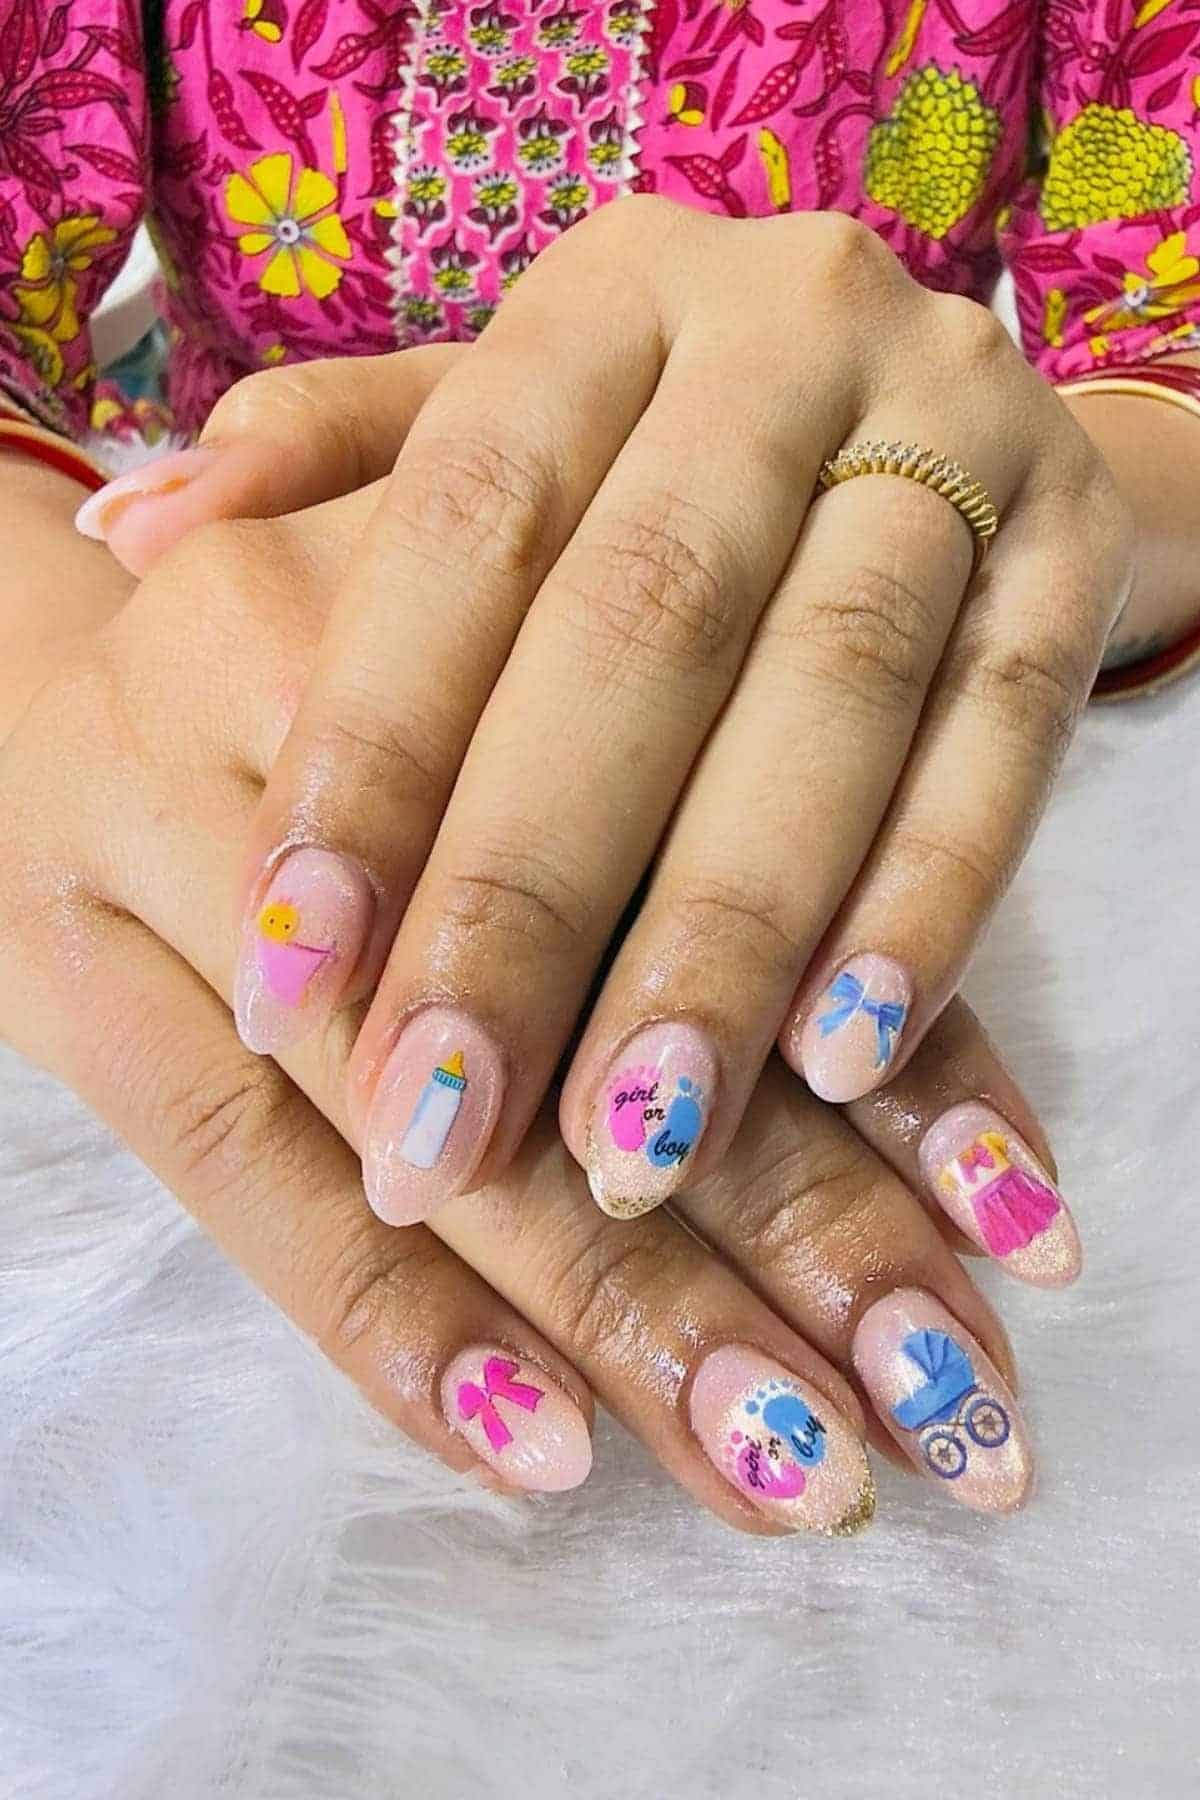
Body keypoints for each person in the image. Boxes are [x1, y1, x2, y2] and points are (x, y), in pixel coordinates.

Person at [0, 0, 1197, 1532]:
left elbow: (1164, 356)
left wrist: (990, 508)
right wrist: (71, 691)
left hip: (841, 659)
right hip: (239, 674)